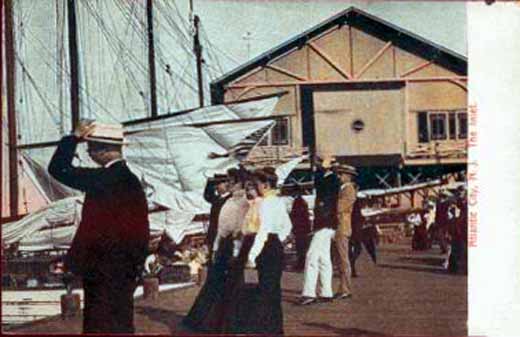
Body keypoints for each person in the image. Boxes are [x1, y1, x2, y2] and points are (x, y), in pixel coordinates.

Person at [48, 121, 149, 333]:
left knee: (98, 324)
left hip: (101, 267)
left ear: (101, 150)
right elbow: (142, 229)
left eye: (90, 148)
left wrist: (73, 138)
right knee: (121, 323)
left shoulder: (103, 179)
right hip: (126, 267)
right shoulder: (131, 181)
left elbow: (58, 168)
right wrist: (136, 265)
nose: (89, 154)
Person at [182, 167, 250, 332]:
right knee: (218, 284)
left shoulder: (235, 202)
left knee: (223, 285)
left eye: (227, 182)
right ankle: (209, 320)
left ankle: (218, 322)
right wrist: (209, 180)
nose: (223, 186)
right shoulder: (222, 200)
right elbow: (208, 196)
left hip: (226, 248)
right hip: (219, 246)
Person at [233, 167, 292, 334]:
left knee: (266, 290)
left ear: (265, 185)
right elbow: (287, 226)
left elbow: (262, 231)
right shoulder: (278, 201)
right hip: (275, 247)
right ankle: (275, 329)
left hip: (266, 248)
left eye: (257, 184)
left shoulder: (265, 203)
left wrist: (251, 256)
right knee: (272, 290)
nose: (256, 187)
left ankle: (265, 329)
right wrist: (278, 239)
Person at [300, 156, 340, 305]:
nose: (317, 164)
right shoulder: (328, 178)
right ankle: (326, 291)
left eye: (320, 162)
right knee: (324, 258)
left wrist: (322, 168)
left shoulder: (331, 180)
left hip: (324, 222)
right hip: (327, 222)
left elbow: (320, 186)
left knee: (311, 256)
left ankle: (309, 293)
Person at [333, 164, 357, 299]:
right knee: (339, 259)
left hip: (342, 227)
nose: (339, 176)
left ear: (348, 176)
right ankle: (342, 287)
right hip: (338, 227)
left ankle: (346, 289)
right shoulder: (342, 189)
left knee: (343, 259)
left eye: (341, 174)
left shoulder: (349, 189)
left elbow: (340, 206)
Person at [203, 174, 231, 262]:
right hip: (215, 233)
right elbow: (208, 196)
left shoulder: (227, 199)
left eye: (217, 185)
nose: (216, 188)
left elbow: (208, 196)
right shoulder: (222, 199)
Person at [289, 187, 312, 271]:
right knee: (302, 247)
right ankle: (301, 265)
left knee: (300, 248)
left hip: (300, 228)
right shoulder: (302, 201)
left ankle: (300, 265)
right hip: (303, 228)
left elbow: (295, 215)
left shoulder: (297, 202)